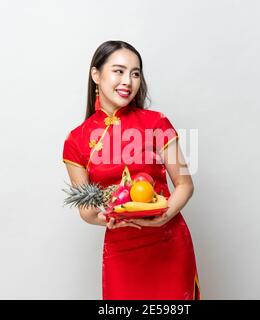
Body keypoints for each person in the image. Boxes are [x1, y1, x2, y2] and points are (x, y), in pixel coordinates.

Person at [62, 40, 201, 300]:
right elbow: (86, 209)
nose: (128, 80)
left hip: (168, 243)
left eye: (135, 73)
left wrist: (164, 216)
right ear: (96, 75)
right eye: (119, 71)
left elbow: (185, 184)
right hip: (121, 250)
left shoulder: (157, 123)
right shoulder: (76, 141)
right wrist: (107, 219)